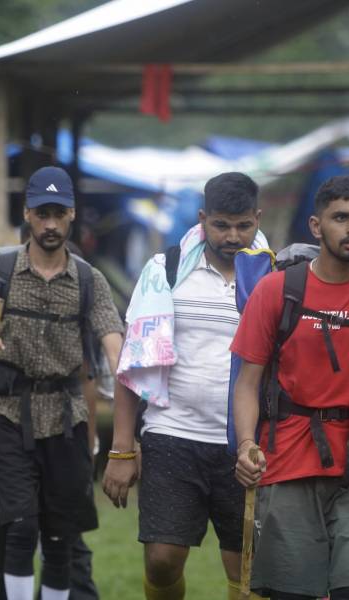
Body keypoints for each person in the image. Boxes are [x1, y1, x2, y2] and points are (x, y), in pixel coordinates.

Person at [0, 166, 124, 600]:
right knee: (19, 526)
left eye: (59, 214)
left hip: (67, 417)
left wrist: (124, 368)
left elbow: (112, 340)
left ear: (72, 215)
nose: (51, 225)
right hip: (7, 414)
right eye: (42, 214)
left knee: (59, 533)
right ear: (27, 214)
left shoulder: (89, 280)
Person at [103, 172, 265, 600]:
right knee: (161, 561)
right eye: (221, 225)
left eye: (243, 225)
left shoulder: (274, 277)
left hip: (245, 446)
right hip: (172, 435)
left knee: (246, 570)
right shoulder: (166, 270)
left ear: (258, 218)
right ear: (202, 218)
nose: (232, 236)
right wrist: (121, 448)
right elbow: (133, 360)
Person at [233, 175, 349, 600]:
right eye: (341, 217)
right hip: (287, 457)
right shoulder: (276, 292)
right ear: (317, 226)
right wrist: (246, 444)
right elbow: (247, 383)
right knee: (291, 592)